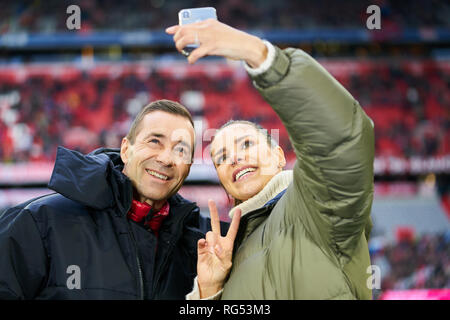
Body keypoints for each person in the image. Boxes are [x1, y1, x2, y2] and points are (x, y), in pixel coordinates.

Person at [166, 19, 375, 299]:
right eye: (222, 157)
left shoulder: (318, 205)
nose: (235, 158)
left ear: (278, 156)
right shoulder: (228, 253)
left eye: (246, 144)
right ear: (224, 185)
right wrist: (209, 291)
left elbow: (340, 140)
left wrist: (258, 55)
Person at [0, 100, 206, 299]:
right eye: (154, 141)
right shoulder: (40, 222)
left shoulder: (201, 245)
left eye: (181, 150)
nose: (166, 159)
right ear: (126, 150)